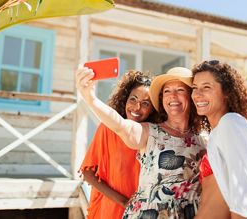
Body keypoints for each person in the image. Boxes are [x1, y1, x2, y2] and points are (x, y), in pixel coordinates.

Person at [76, 66, 206, 219]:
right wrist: (91, 99)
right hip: (128, 210)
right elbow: (119, 124)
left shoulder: (202, 139)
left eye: (180, 90)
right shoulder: (144, 132)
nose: (172, 96)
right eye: (167, 91)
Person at [191, 60, 247, 219]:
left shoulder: (231, 123)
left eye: (206, 87)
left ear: (226, 92)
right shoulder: (218, 131)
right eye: (194, 88)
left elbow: (244, 201)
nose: (197, 94)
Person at [79, 70, 159, 219]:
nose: (136, 107)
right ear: (125, 99)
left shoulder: (155, 135)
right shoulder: (107, 129)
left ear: (153, 109)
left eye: (145, 103)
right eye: (133, 99)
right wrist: (122, 201)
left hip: (143, 210)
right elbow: (88, 173)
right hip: (110, 208)